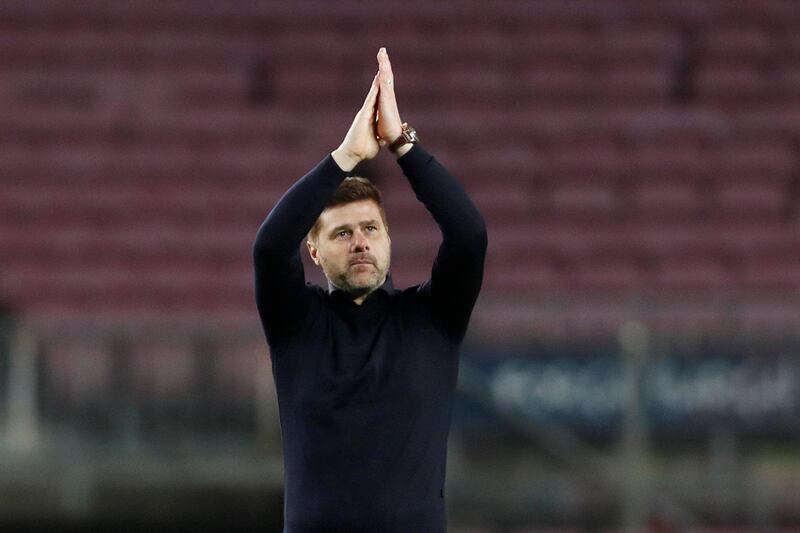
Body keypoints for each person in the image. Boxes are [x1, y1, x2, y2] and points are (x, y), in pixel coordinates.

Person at [253, 47, 487, 532]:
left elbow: (469, 235)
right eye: (341, 233)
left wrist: (402, 143)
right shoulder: (297, 326)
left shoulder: (431, 319)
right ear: (313, 252)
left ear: (388, 239)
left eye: (370, 229)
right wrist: (345, 158)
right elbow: (270, 246)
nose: (359, 242)